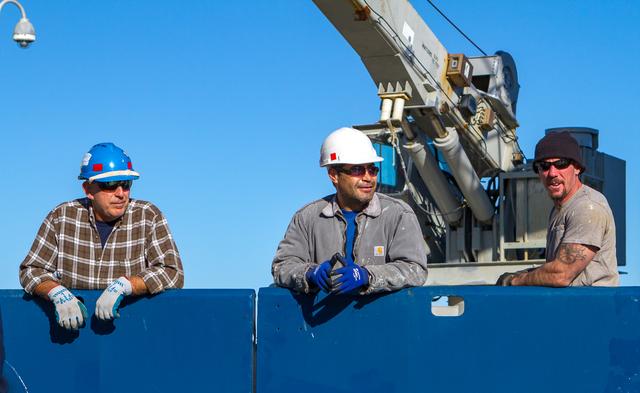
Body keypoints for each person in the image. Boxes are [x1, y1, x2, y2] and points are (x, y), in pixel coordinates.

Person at [19, 143, 184, 330]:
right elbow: (31, 270)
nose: (121, 193)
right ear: (88, 190)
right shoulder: (61, 217)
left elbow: (172, 272)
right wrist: (55, 292)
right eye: (110, 185)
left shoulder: (148, 215)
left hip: (132, 331)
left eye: (126, 184)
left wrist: (126, 285)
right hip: (70, 336)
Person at [272, 127, 428, 295]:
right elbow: (282, 266)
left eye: (372, 169)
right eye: (357, 170)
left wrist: (368, 276)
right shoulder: (307, 218)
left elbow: (415, 269)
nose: (368, 177)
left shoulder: (398, 215)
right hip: (323, 320)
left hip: (379, 318)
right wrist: (310, 273)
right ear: (334, 175)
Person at [497, 132, 618, 286]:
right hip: (569, 306)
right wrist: (523, 274)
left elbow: (561, 274)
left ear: (577, 168)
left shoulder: (587, 207)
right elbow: (556, 268)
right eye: (544, 166)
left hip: (593, 307)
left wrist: (515, 281)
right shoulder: (559, 210)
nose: (552, 173)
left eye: (561, 164)